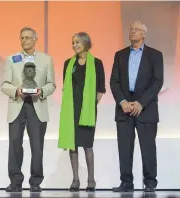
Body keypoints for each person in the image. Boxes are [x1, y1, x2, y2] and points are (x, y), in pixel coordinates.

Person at [110, 21, 164, 192]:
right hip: (124, 107)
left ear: (144, 34)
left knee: (148, 147)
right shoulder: (120, 55)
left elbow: (157, 81)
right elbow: (114, 81)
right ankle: (126, 183)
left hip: (146, 107)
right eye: (131, 29)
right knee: (124, 148)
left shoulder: (155, 55)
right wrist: (122, 102)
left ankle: (150, 183)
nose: (132, 31)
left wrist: (141, 103)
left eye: (137, 30)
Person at [0, 27, 56, 192]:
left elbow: (51, 84)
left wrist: (42, 91)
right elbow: (4, 84)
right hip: (17, 104)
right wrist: (16, 91)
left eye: (27, 38)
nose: (24, 40)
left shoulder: (46, 60)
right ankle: (15, 182)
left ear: (35, 39)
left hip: (37, 105)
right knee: (15, 144)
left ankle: (35, 182)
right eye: (22, 38)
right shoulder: (11, 59)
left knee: (37, 146)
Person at [58, 32, 106, 192]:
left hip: (88, 110)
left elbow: (100, 89)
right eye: (73, 42)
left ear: (86, 43)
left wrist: (90, 105)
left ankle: (91, 179)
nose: (74, 45)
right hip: (71, 109)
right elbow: (66, 87)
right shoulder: (68, 63)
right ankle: (75, 180)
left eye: (77, 42)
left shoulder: (97, 63)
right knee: (73, 145)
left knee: (87, 144)